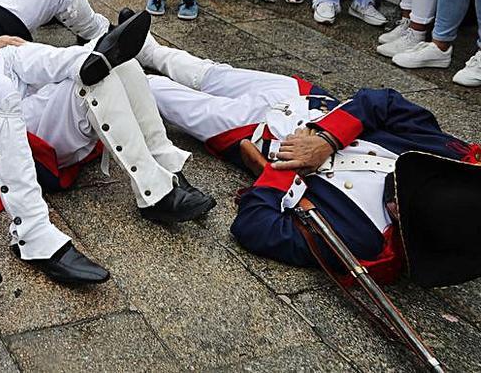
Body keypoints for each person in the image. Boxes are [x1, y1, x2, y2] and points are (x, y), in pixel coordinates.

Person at [142, 40, 481, 279]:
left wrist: (270, 175)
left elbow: (255, 228)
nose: (395, 205)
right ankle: (135, 43)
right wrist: (327, 138)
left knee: (155, 93)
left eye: (402, 210)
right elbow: (384, 102)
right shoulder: (441, 154)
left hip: (259, 134)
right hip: (306, 99)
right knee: (207, 73)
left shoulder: (363, 241)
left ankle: (103, 64)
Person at [0, 17, 215, 229]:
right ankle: (154, 194)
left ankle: (165, 163)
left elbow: (18, 63)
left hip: (23, 107)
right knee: (88, 77)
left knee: (118, 66)